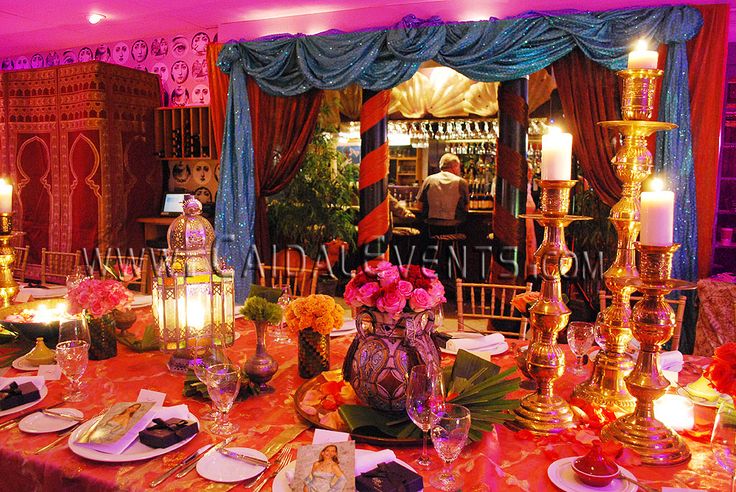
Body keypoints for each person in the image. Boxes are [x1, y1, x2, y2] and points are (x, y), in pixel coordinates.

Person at [416, 153, 469, 226]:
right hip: (455, 228)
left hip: (430, 227)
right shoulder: (461, 182)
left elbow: (419, 205)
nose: (459, 170)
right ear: (455, 166)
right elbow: (466, 208)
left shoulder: (429, 180)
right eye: (459, 167)